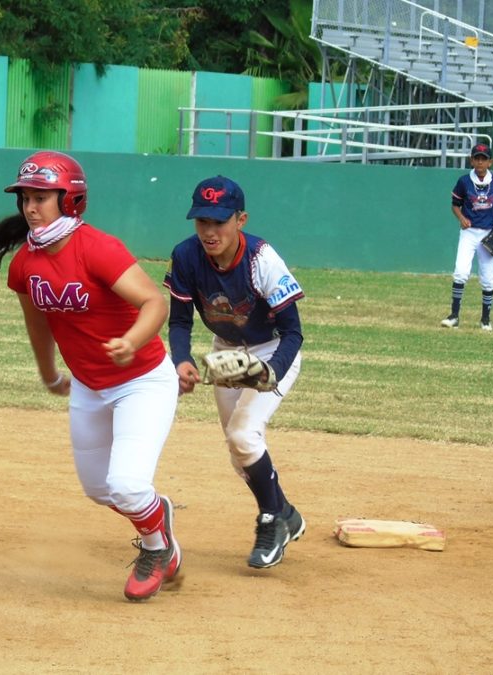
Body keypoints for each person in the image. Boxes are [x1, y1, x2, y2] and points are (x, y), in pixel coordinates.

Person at [0, 151, 181, 601]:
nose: (31, 207)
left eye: (42, 197)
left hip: (143, 380)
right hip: (89, 387)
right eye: (26, 198)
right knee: (100, 490)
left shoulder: (97, 248)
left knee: (127, 485)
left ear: (71, 200)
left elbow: (155, 303)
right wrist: (48, 373)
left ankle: (158, 549)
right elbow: (37, 323)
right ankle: (157, 515)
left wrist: (132, 341)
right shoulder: (26, 264)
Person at [164, 175, 306, 569]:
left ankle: (271, 521)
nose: (210, 231)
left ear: (240, 220)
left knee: (245, 436)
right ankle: (285, 512)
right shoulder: (186, 256)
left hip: (274, 351)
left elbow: (294, 332)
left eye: (220, 221)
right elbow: (179, 322)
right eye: (202, 222)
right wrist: (181, 360)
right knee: (239, 454)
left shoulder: (262, 260)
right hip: (226, 351)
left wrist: (271, 371)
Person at [440, 143, 493, 331]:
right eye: (477, 158)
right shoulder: (464, 181)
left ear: (490, 162)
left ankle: (485, 319)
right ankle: (454, 316)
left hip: (488, 234)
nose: (480, 162)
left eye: (484, 159)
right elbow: (455, 204)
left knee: (488, 277)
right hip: (469, 233)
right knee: (461, 272)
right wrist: (461, 218)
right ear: (471, 160)